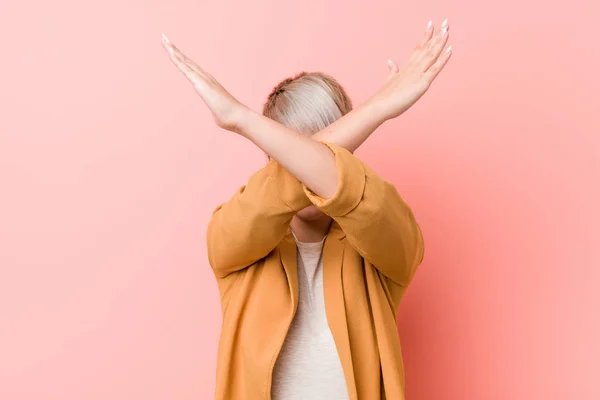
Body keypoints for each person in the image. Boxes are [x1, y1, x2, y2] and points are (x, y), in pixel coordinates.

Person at [161, 18, 451, 400]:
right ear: (269, 154)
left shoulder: (384, 237)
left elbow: (346, 187)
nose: (307, 171)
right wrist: (377, 109)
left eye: (321, 152)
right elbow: (292, 185)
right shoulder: (233, 236)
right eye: (290, 151)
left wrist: (241, 119)